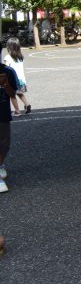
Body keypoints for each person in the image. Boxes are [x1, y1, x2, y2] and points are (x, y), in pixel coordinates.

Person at [0, 40, 17, 194]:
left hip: (2, 113)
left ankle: (0, 165)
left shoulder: (8, 72)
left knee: (4, 144)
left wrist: (6, 85)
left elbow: (12, 95)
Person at [3, 37, 31, 116]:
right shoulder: (20, 57)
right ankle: (27, 103)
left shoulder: (8, 57)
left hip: (12, 80)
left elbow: (6, 69)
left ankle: (17, 111)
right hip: (21, 79)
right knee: (20, 93)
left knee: (12, 95)